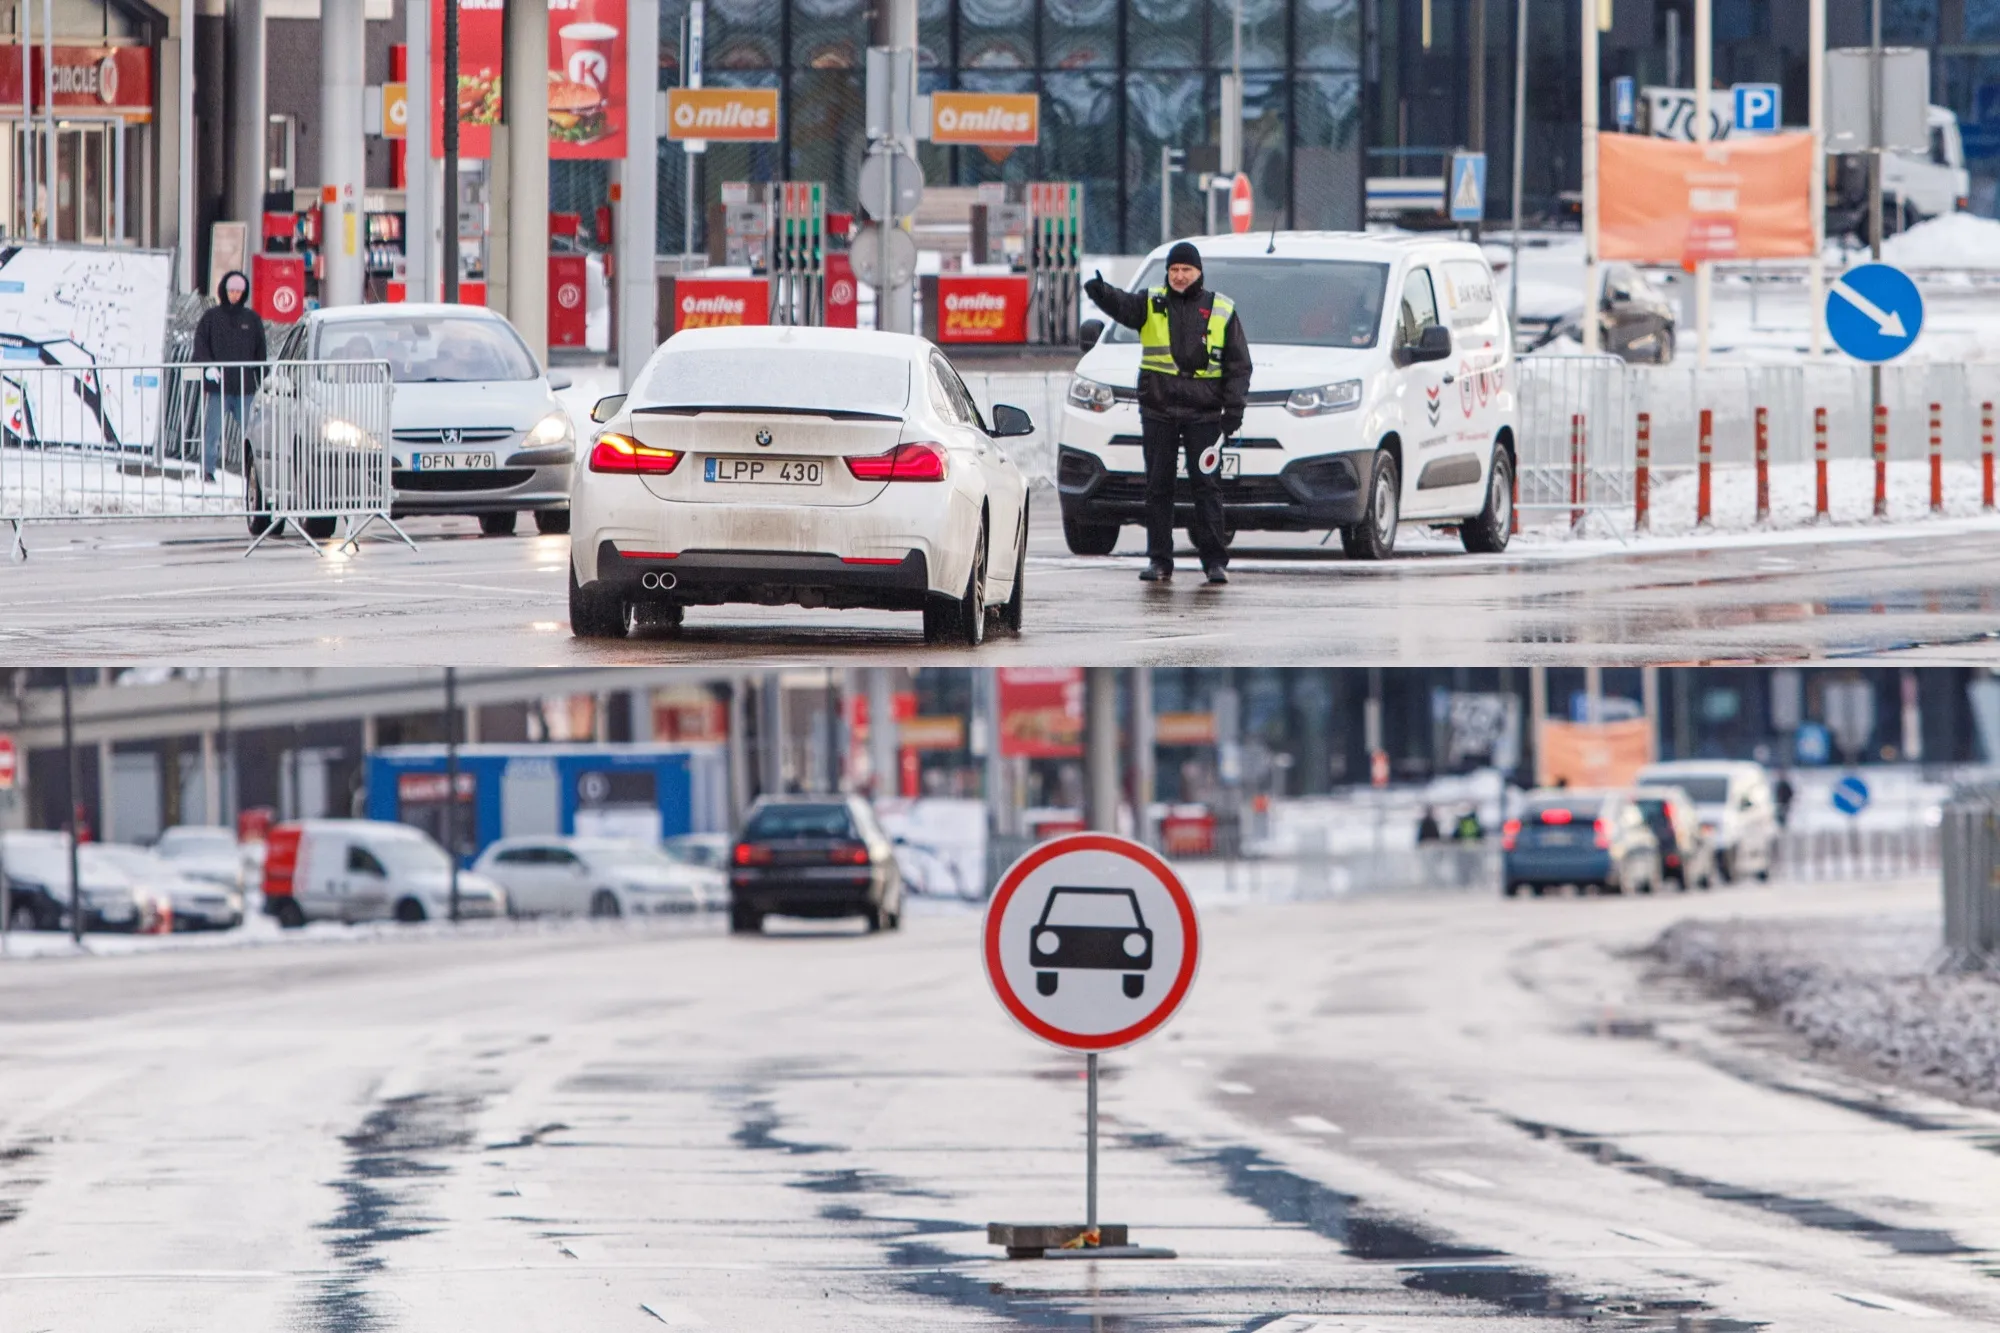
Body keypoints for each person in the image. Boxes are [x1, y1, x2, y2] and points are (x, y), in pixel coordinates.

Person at [1083, 242, 1250, 585]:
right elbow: (1124, 306)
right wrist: (1100, 292)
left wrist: (1233, 410)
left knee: (1207, 487)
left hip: (1204, 414)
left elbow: (1238, 365)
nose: (1179, 275)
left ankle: (1215, 562)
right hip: (1159, 410)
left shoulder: (1220, 308)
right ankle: (1159, 561)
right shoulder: (1152, 302)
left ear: (1199, 272)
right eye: (1174, 270)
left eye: (1186, 269)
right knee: (1159, 488)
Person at [190, 271, 267, 482]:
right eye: (231, 290)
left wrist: (264, 382)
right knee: (212, 431)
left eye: (238, 291)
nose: (234, 295)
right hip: (218, 388)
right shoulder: (212, 318)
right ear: (224, 290)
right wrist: (207, 366)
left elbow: (260, 354)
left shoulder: (252, 320)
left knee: (252, 433)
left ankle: (256, 473)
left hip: (245, 388)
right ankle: (207, 470)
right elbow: (200, 344)